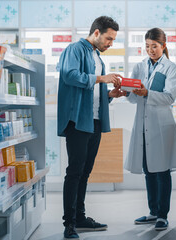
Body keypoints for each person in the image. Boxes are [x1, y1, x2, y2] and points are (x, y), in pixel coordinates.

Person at [57, 16, 127, 239]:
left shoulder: (97, 56)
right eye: (109, 38)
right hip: (78, 121)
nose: (110, 44)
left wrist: (110, 94)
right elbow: (69, 75)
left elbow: (93, 93)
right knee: (75, 172)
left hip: (94, 121)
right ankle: (69, 224)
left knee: (85, 172)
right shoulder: (74, 49)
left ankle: (80, 217)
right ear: (96, 33)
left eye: (113, 40)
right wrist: (102, 78)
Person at [125, 28, 176, 231]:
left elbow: (169, 97)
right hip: (142, 125)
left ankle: (163, 215)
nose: (151, 50)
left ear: (163, 46)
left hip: (161, 126)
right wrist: (125, 91)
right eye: (147, 46)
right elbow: (133, 98)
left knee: (162, 170)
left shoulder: (171, 69)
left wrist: (147, 93)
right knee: (149, 169)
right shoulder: (139, 66)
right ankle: (152, 212)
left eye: (155, 46)